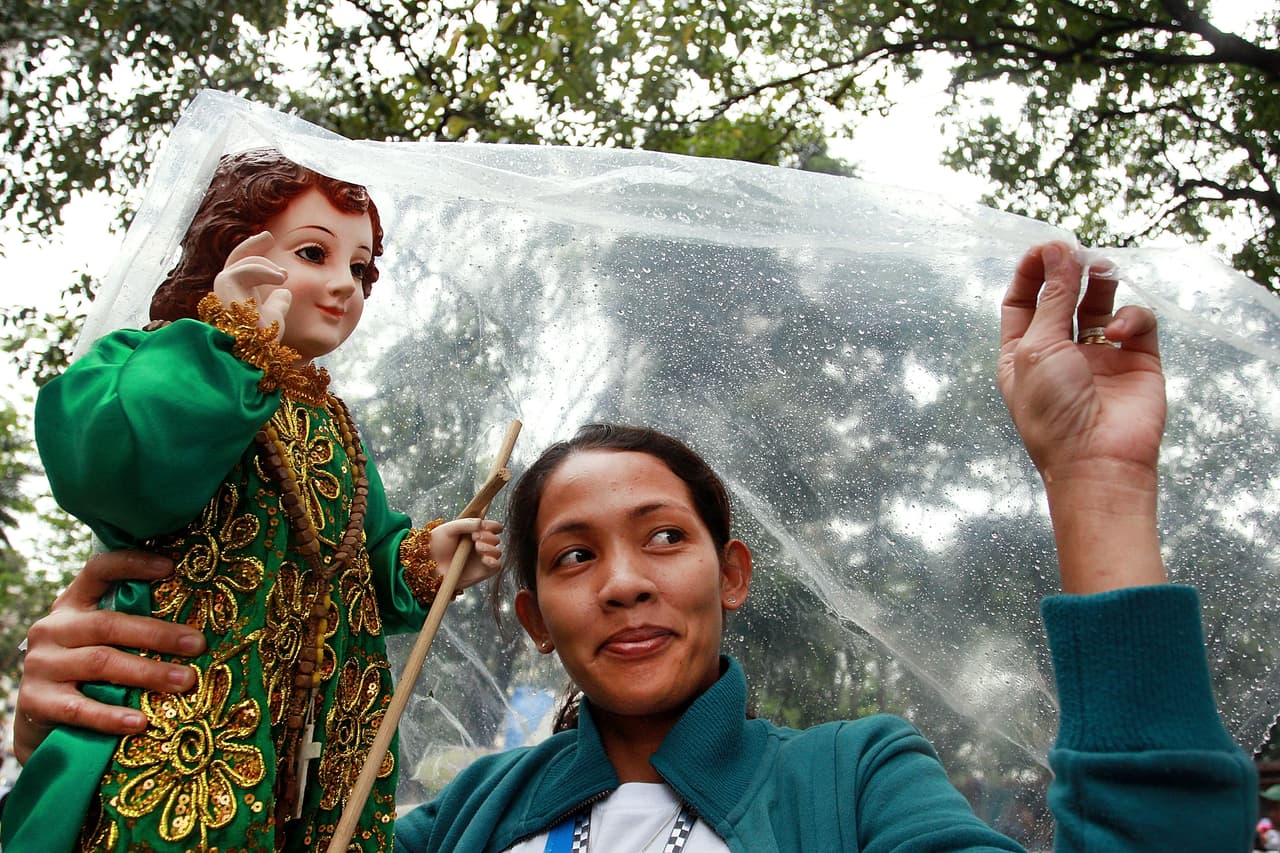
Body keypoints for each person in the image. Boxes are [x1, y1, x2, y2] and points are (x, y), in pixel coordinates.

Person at [7, 242, 1257, 850]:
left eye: (662, 535)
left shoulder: (857, 783)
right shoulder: (459, 819)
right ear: (531, 617)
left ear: (731, 571)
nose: (620, 580)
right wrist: (95, 746)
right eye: (565, 556)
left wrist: (1095, 484)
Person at [3, 150, 503, 853]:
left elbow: (359, 556)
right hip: (189, 722)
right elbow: (120, 464)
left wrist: (422, 558)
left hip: (326, 745)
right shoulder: (154, 365)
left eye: (360, 268)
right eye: (313, 253)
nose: (343, 285)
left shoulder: (333, 424)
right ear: (228, 249)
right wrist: (224, 350)